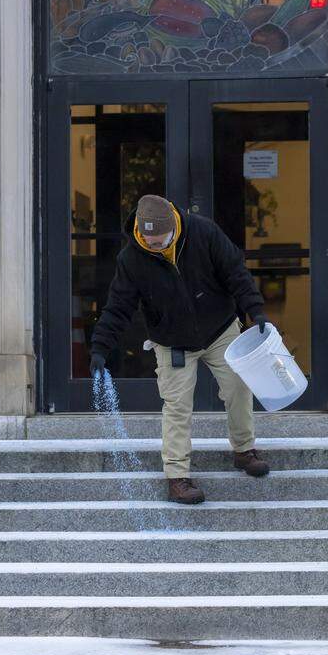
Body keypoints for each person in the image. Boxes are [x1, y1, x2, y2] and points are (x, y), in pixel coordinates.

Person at [89, 194, 270, 504]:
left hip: (219, 328)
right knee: (177, 405)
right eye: (149, 241)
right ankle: (177, 477)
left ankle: (244, 451)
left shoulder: (204, 233)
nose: (154, 246)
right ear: (140, 233)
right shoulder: (131, 257)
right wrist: (99, 348)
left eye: (160, 241)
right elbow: (118, 307)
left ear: (173, 227)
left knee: (239, 386)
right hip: (171, 339)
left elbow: (235, 272)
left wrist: (256, 310)